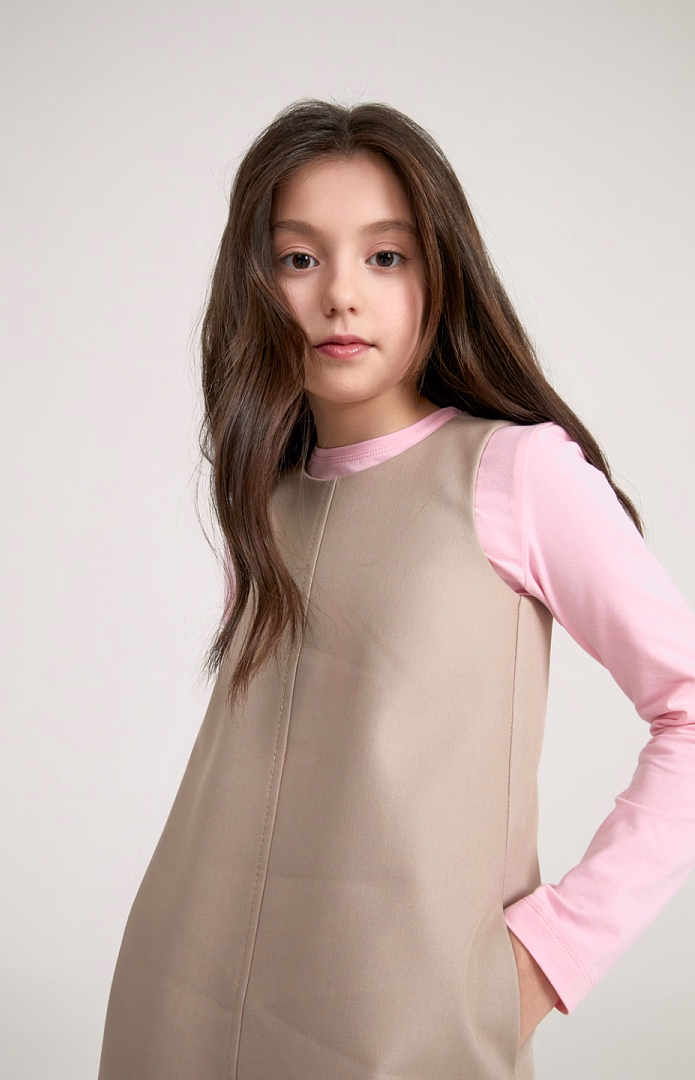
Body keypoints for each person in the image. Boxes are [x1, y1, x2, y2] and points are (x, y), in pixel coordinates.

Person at [97, 100, 695, 1080]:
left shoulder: (517, 472)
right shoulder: (266, 497)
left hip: (396, 1032)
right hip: (180, 1003)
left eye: (386, 256)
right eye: (299, 258)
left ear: (440, 272)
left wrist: (553, 955)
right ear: (255, 285)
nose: (341, 294)